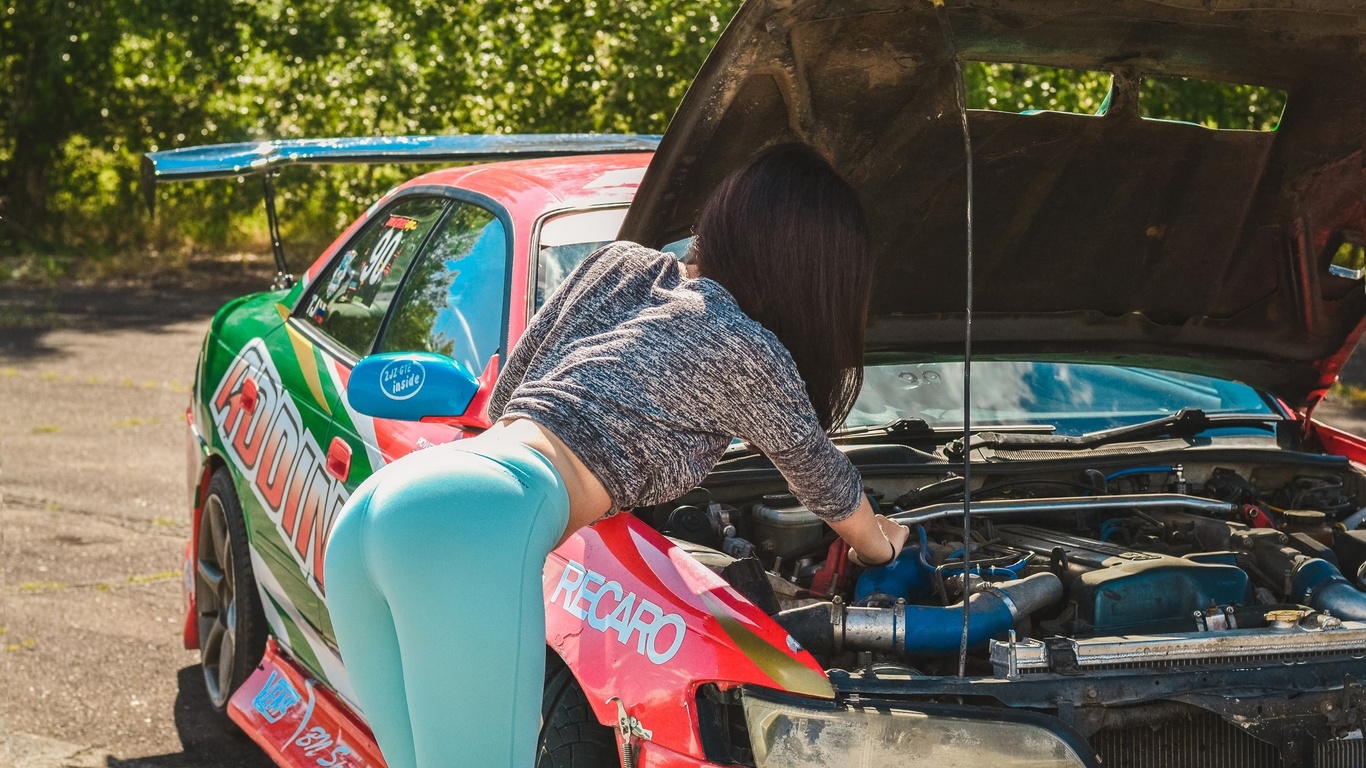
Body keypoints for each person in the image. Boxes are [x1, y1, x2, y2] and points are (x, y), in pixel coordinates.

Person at [322, 143, 912, 768]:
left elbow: (508, 398)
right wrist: (886, 545)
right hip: (479, 519)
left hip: (387, 504)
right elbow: (824, 481)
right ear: (811, 274)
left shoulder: (619, 264)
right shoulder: (746, 345)